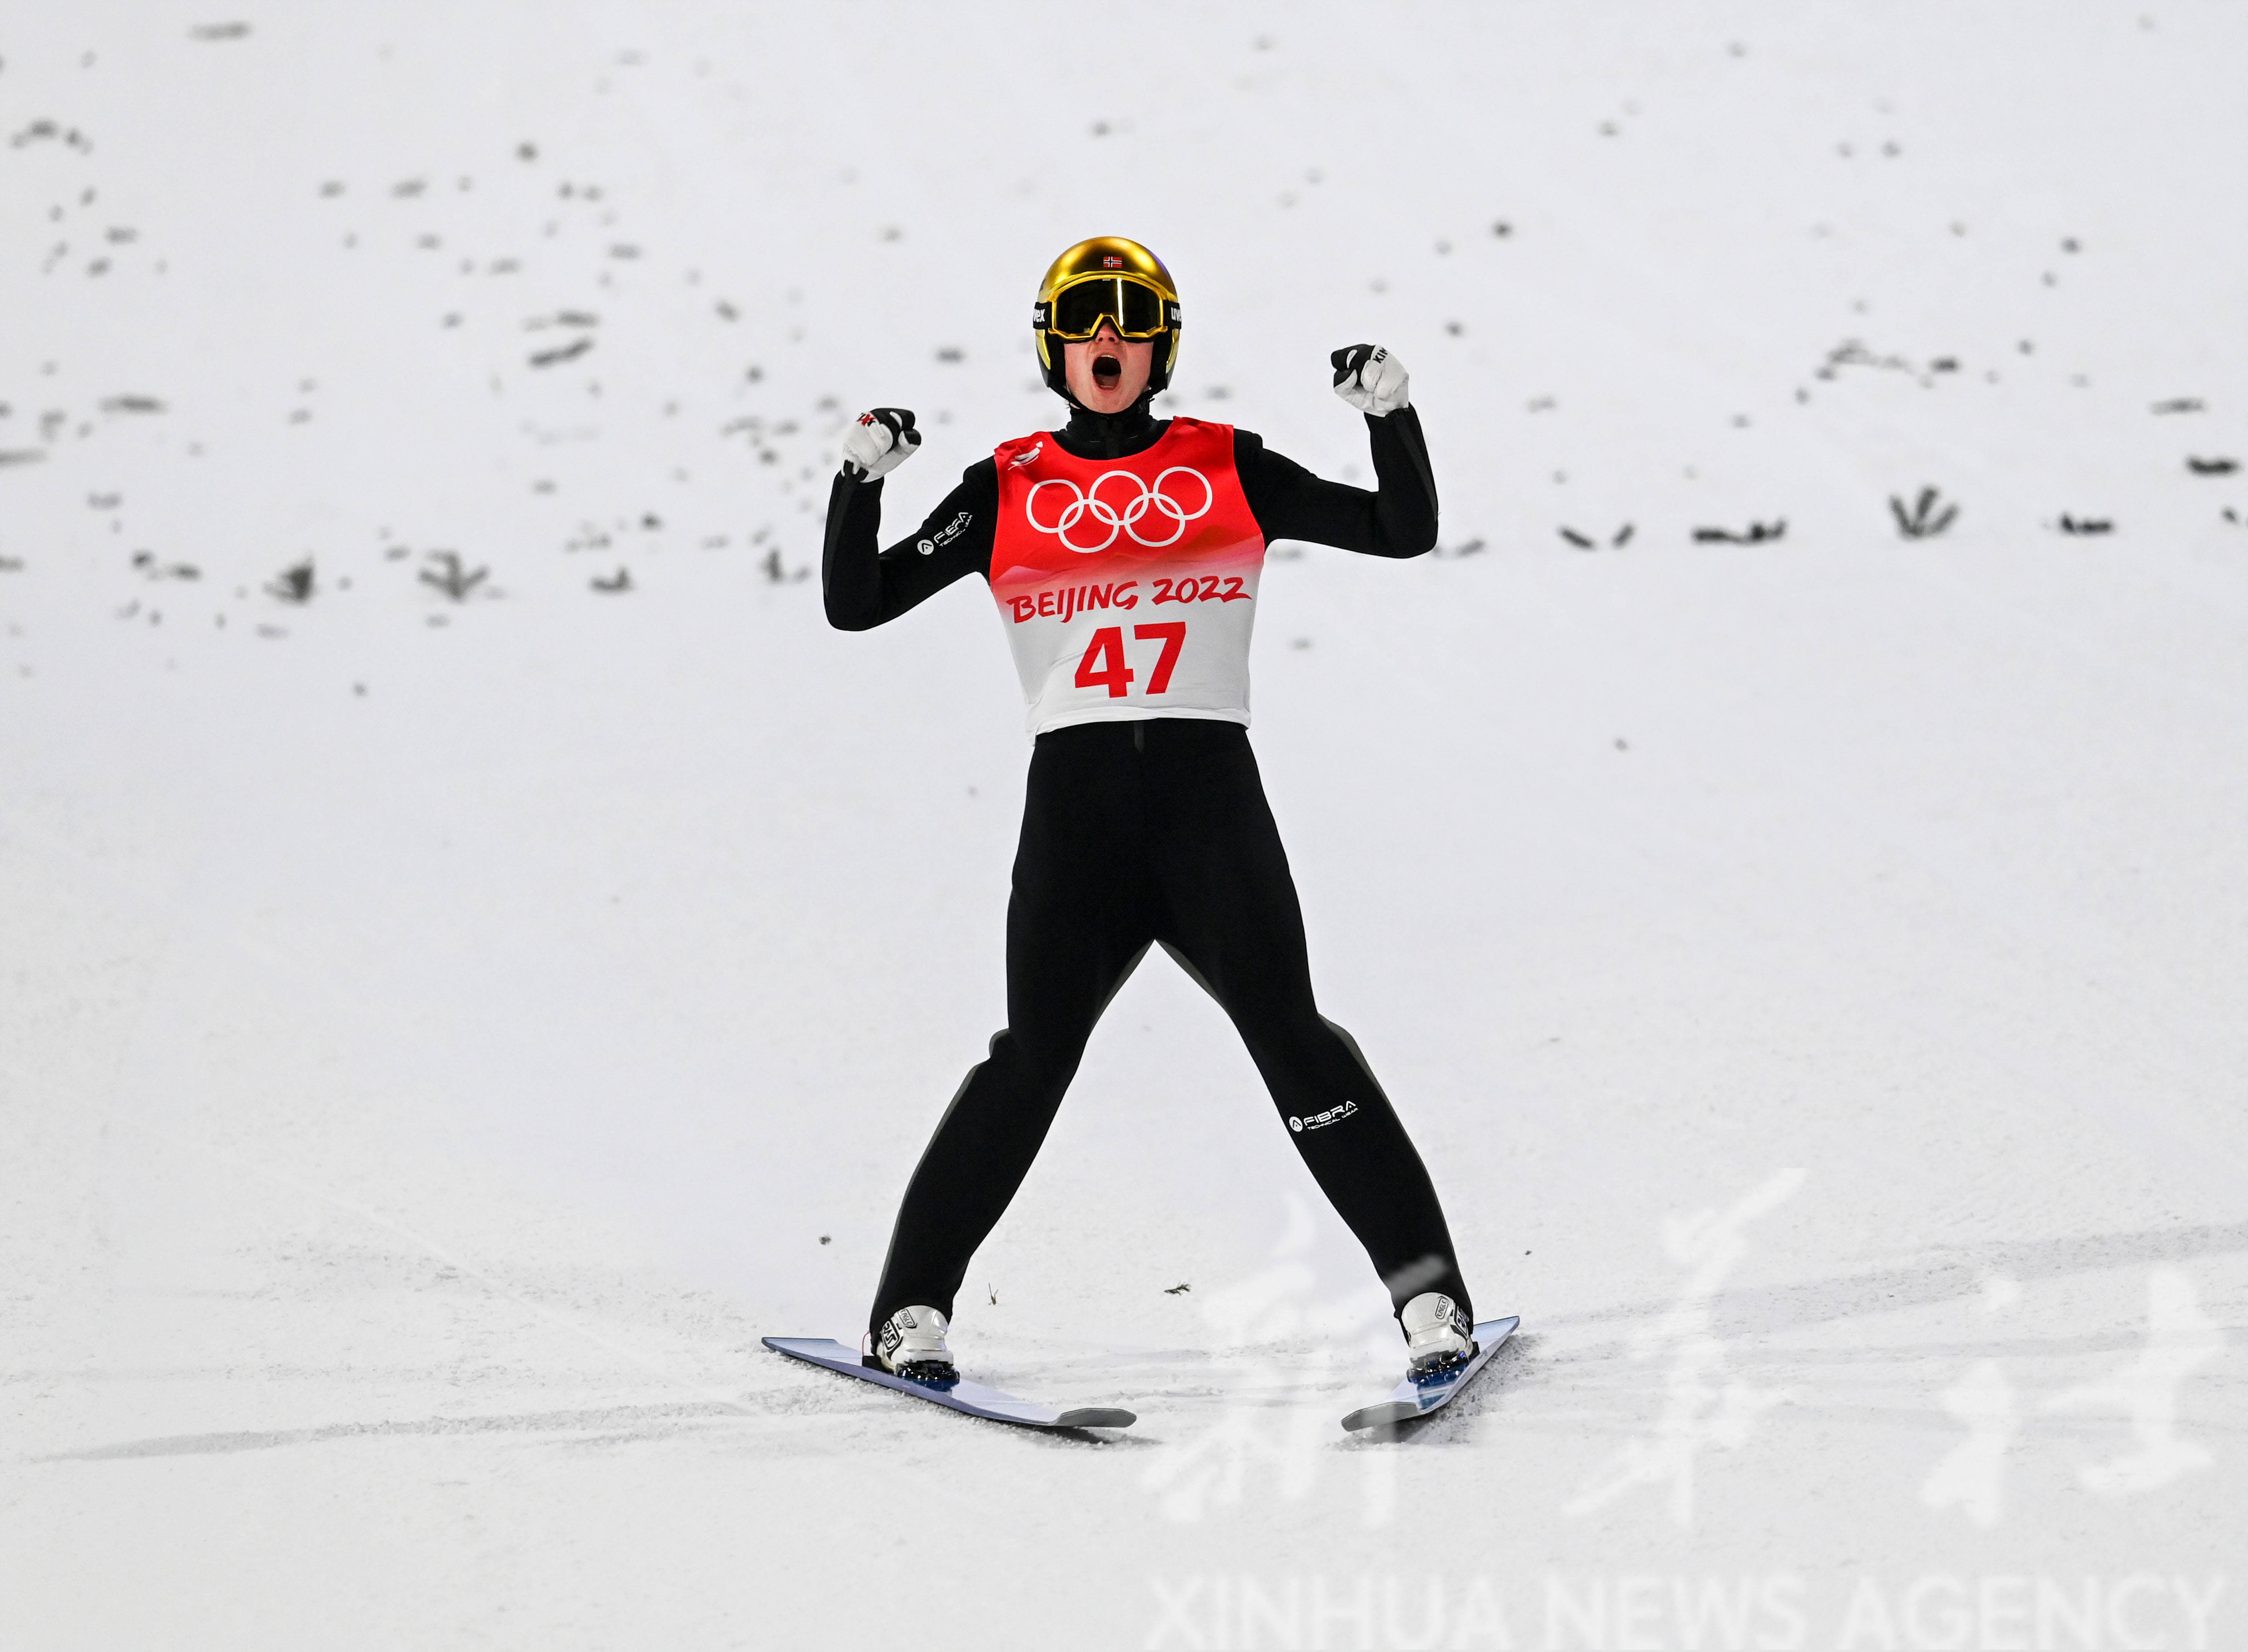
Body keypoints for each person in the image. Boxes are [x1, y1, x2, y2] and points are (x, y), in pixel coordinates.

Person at [821, 236, 1476, 1384]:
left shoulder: (1228, 463)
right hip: (1076, 820)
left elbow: (1400, 527)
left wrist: (1392, 413)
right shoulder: (1005, 486)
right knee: (1029, 1062)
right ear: (1055, 350)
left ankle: (1431, 1306)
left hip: (1205, 807)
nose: (1107, 339)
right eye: (1085, 322)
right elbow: (858, 602)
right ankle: (906, 1313)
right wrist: (857, 482)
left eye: (1129, 319)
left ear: (1159, 342)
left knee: (1295, 1042)